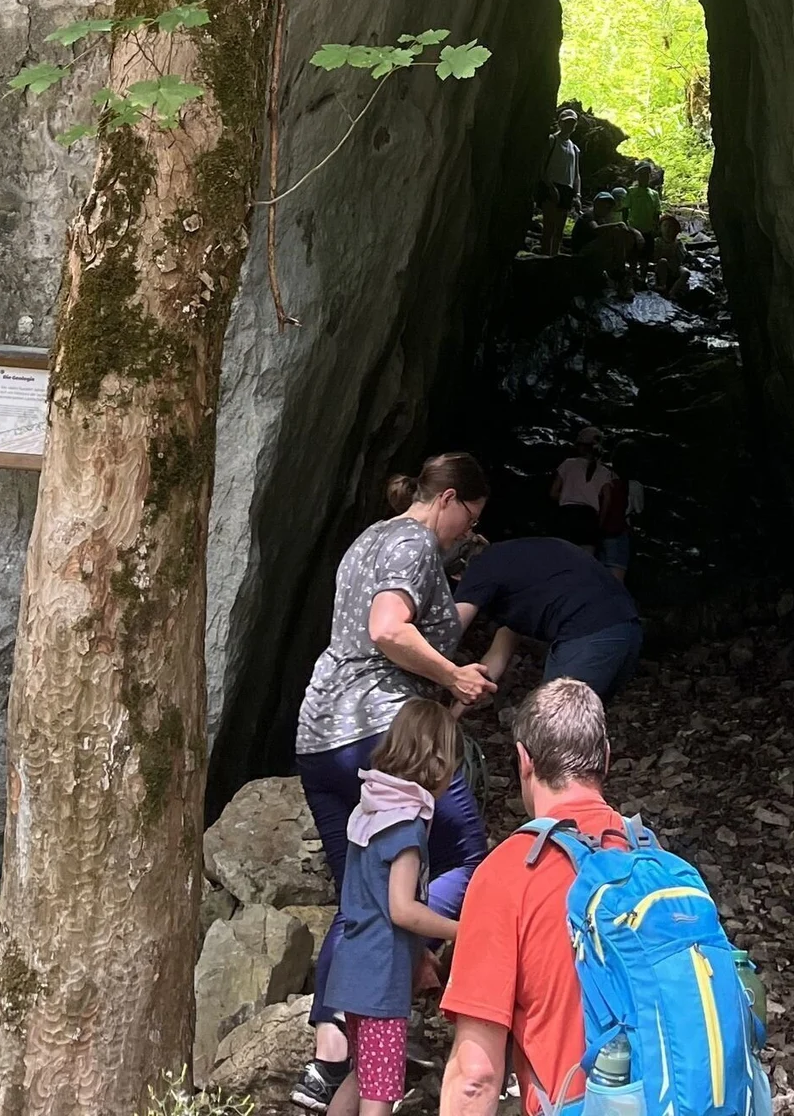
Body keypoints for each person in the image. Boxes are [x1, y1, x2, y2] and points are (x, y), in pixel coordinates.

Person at [294, 454, 501, 1114]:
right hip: (381, 732)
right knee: (467, 853)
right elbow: (388, 628)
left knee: (358, 892)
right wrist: (452, 676)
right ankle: (402, 969)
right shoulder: (414, 543)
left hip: (319, 733)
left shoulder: (371, 537)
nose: (468, 534)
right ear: (447, 499)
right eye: (471, 518)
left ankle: (330, 1055)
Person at [439, 680, 624, 1116]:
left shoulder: (508, 874)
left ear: (525, 760)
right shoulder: (657, 862)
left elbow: (475, 1077)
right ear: (606, 758)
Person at [322, 698, 466, 1116]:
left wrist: (418, 953)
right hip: (380, 982)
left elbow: (369, 899)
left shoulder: (371, 810)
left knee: (362, 1075)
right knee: (380, 1091)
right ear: (438, 763)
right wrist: (462, 929)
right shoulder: (406, 827)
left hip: (353, 969)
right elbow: (401, 909)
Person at [453, 536, 643, 701]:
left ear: (456, 575)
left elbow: (449, 631)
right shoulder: (515, 567)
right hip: (627, 627)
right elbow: (498, 656)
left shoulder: (479, 566)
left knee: (555, 720)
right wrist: (453, 716)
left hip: (590, 631)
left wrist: (447, 677)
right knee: (582, 720)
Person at [548, 428, 616, 552]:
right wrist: (599, 523)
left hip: (566, 516)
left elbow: (553, 493)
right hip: (589, 519)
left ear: (580, 446)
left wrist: (569, 496)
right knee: (584, 559)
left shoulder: (568, 464)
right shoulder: (604, 472)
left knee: (562, 556)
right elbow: (607, 500)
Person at [536, 114, 581, 254]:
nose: (570, 126)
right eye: (567, 122)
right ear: (560, 123)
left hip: (567, 188)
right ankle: (545, 257)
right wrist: (549, 186)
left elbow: (576, 174)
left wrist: (577, 194)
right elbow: (541, 166)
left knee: (559, 231)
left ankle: (554, 257)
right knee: (548, 228)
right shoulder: (552, 140)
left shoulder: (574, 148)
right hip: (552, 184)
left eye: (572, 123)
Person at [621, 162, 661, 240]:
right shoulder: (631, 191)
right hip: (633, 230)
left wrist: (656, 227)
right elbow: (625, 209)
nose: (644, 177)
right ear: (637, 176)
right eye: (641, 174)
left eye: (646, 174)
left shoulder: (654, 194)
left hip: (649, 231)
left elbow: (657, 213)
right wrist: (625, 225)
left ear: (650, 176)